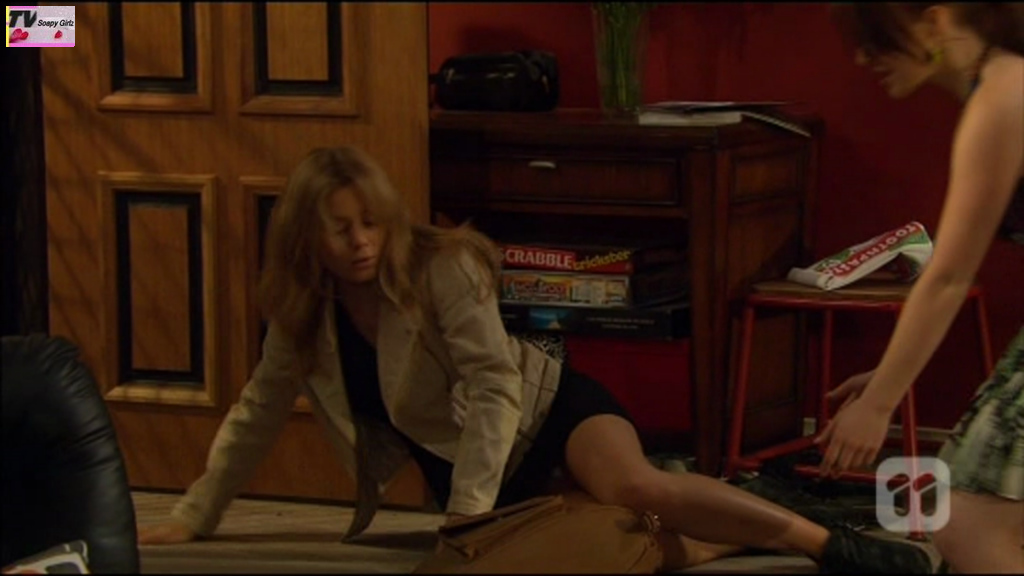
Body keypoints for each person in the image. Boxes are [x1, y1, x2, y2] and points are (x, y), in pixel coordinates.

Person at [137, 145, 932, 572]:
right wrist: (194, 515)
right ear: (305, 234)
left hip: (548, 412)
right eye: (339, 228)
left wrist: (468, 515)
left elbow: (494, 387)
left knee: (633, 488)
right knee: (597, 546)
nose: (360, 242)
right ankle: (728, 531)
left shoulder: (442, 265)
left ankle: (829, 545)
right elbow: (258, 407)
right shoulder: (305, 306)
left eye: (371, 222)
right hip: (480, 465)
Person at [820, 3, 1024, 573]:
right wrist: (890, 373)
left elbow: (949, 277)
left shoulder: (1004, 96)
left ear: (933, 20)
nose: (864, 58)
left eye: (873, 37)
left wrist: (880, 403)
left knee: (968, 527)